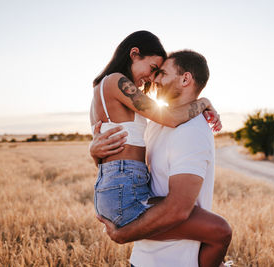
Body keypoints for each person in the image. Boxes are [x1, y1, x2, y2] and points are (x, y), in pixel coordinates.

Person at [92, 47, 232, 267]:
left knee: (221, 231)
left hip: (175, 262)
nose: (154, 79)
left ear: (186, 79)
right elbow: (126, 172)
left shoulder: (191, 130)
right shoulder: (156, 124)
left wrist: (123, 234)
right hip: (142, 260)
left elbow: (178, 208)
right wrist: (96, 154)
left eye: (162, 73)